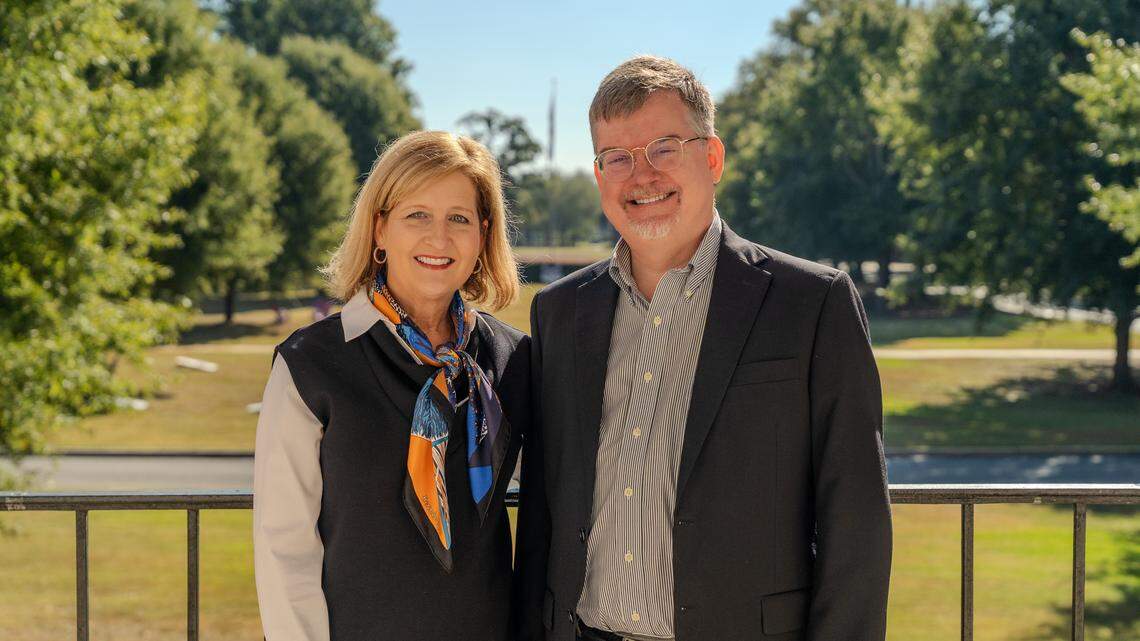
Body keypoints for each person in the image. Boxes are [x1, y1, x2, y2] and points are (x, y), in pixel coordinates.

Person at [514, 56, 892, 641]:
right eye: (617, 157)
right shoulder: (561, 312)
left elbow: (857, 521)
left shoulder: (812, 304)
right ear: (599, 176)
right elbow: (543, 509)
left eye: (664, 148)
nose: (641, 175)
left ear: (712, 157)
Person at [254, 130, 530, 641]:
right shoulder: (310, 364)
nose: (439, 238)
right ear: (380, 229)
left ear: (483, 234)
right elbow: (283, 546)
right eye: (416, 215)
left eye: (459, 219)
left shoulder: (514, 360)